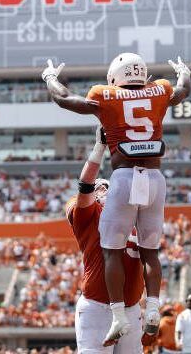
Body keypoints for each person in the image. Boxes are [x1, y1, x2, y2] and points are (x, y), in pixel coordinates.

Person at [42, 54, 191, 343]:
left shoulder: (105, 95)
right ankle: (153, 309)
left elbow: (64, 99)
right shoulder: (159, 89)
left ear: (114, 77)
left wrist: (49, 78)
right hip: (156, 179)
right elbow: (182, 91)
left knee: (112, 250)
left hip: (124, 175)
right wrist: (184, 72)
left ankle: (119, 315)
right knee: (151, 251)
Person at [65, 126, 145, 353]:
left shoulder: (132, 214)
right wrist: (99, 149)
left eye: (108, 186)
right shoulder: (88, 215)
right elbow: (85, 187)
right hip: (98, 306)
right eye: (101, 187)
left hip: (130, 307)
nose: (106, 189)